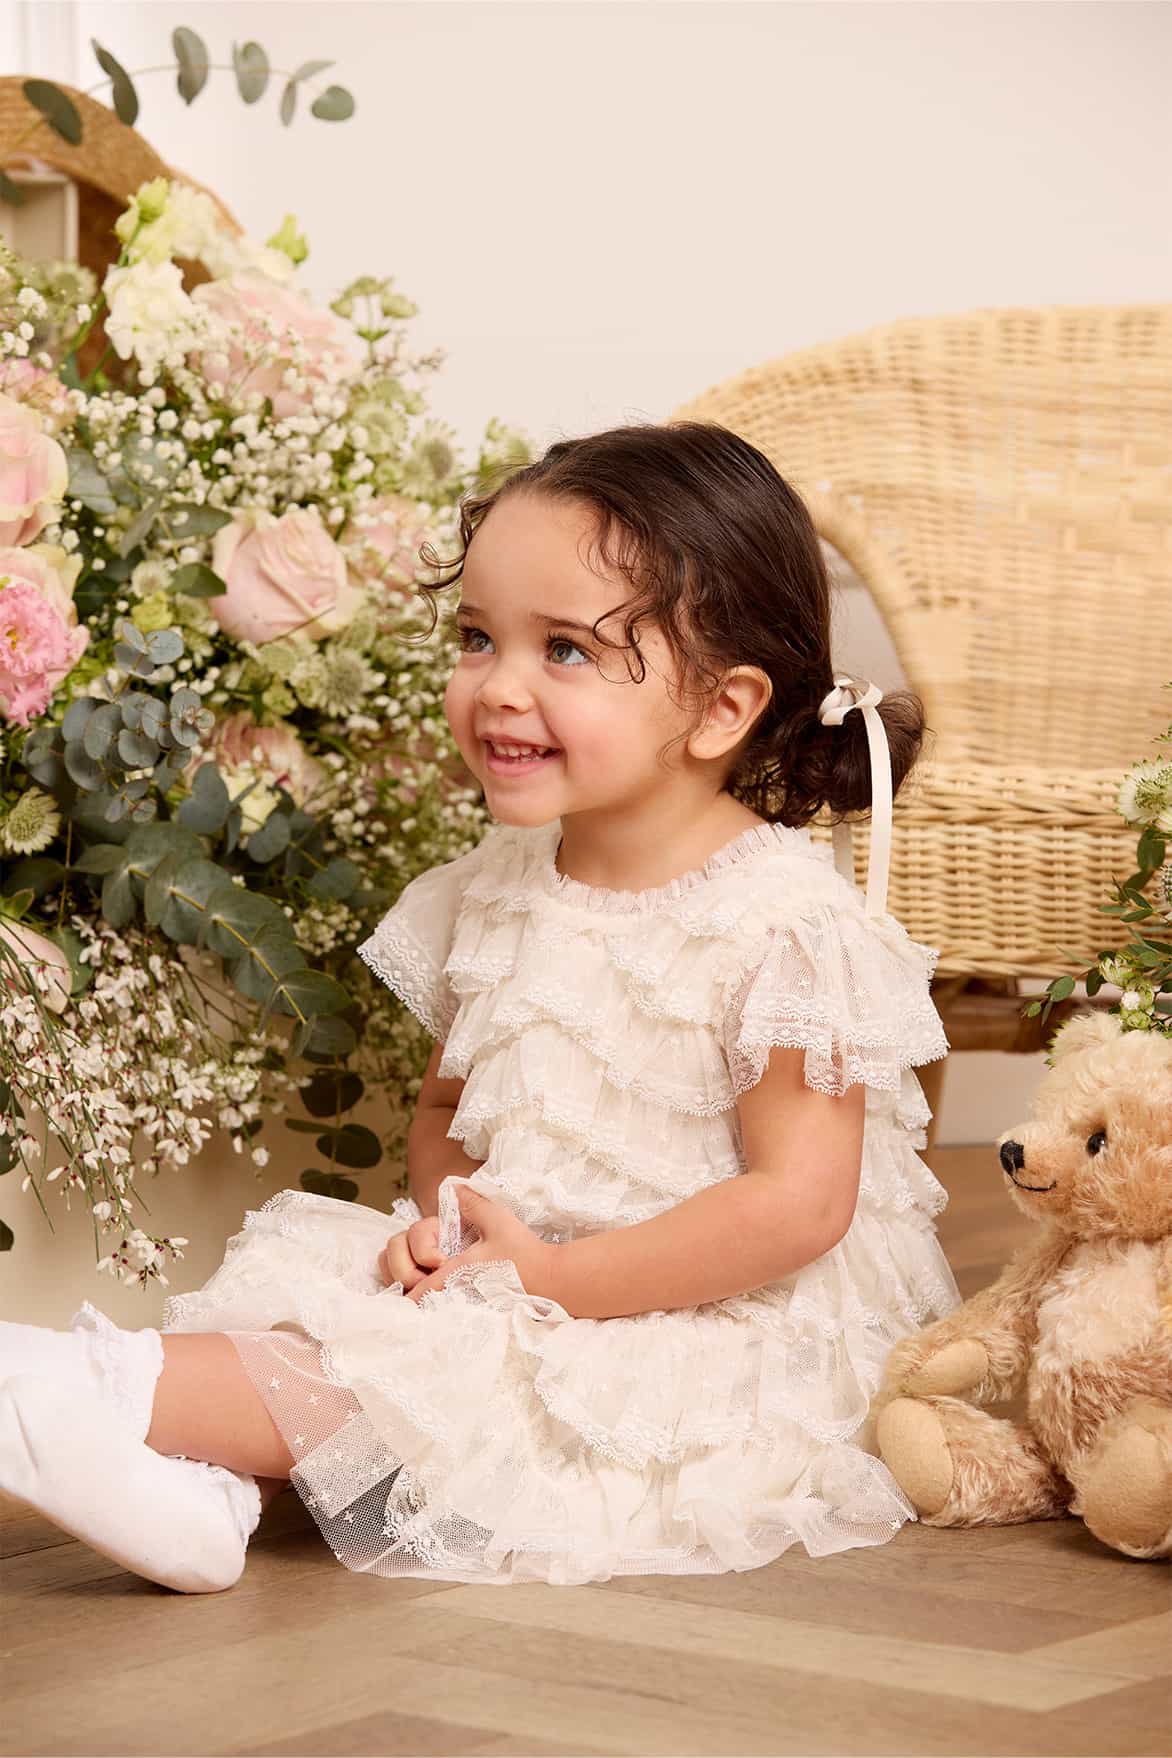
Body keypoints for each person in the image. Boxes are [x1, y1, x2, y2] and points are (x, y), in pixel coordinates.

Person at [0, 421, 960, 1593]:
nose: (497, 688)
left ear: (720, 709)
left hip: (714, 1316)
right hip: (526, 1270)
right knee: (338, 1299)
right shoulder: (494, 888)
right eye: (476, 638)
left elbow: (794, 1207)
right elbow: (446, 1115)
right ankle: (203, 1496)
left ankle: (64, 1391)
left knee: (449, 1371)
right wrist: (450, 1224)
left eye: (563, 650)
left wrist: (550, 1283)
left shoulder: (782, 924)